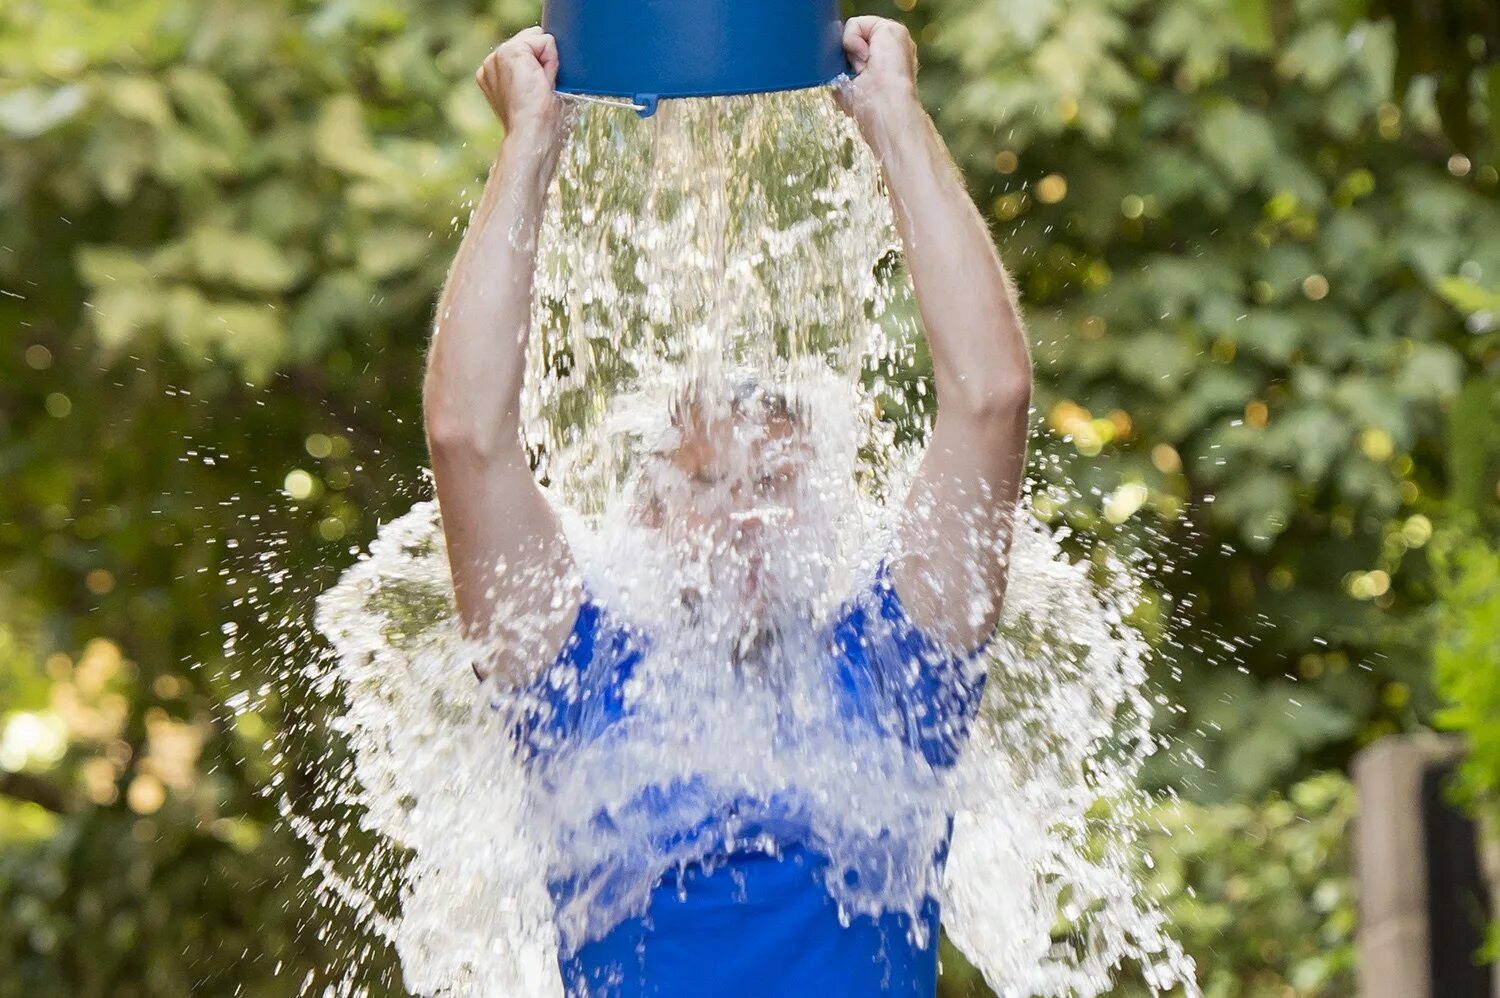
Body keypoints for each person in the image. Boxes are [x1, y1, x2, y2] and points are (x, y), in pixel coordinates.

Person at [423, 16, 1033, 997]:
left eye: (777, 481)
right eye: (704, 485)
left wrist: (895, 119)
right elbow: (467, 437)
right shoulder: (571, 682)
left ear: (831, 503)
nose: (744, 512)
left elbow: (992, 396)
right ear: (643, 517)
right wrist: (528, 148)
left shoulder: (899, 666)